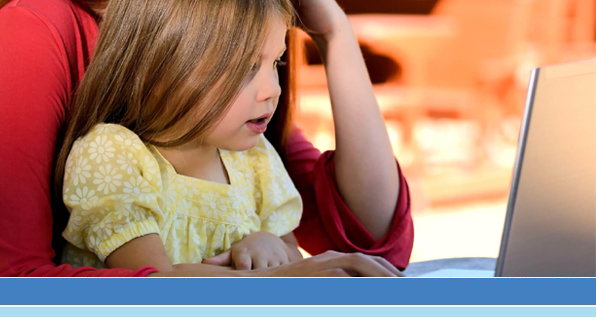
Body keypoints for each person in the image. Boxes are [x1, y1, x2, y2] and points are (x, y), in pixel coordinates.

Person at [0, 0, 413, 277]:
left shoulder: (244, 148)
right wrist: (275, 285)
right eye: (248, 66)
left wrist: (333, 30)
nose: (272, 87)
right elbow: (18, 284)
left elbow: (372, 246)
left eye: (277, 62)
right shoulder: (37, 33)